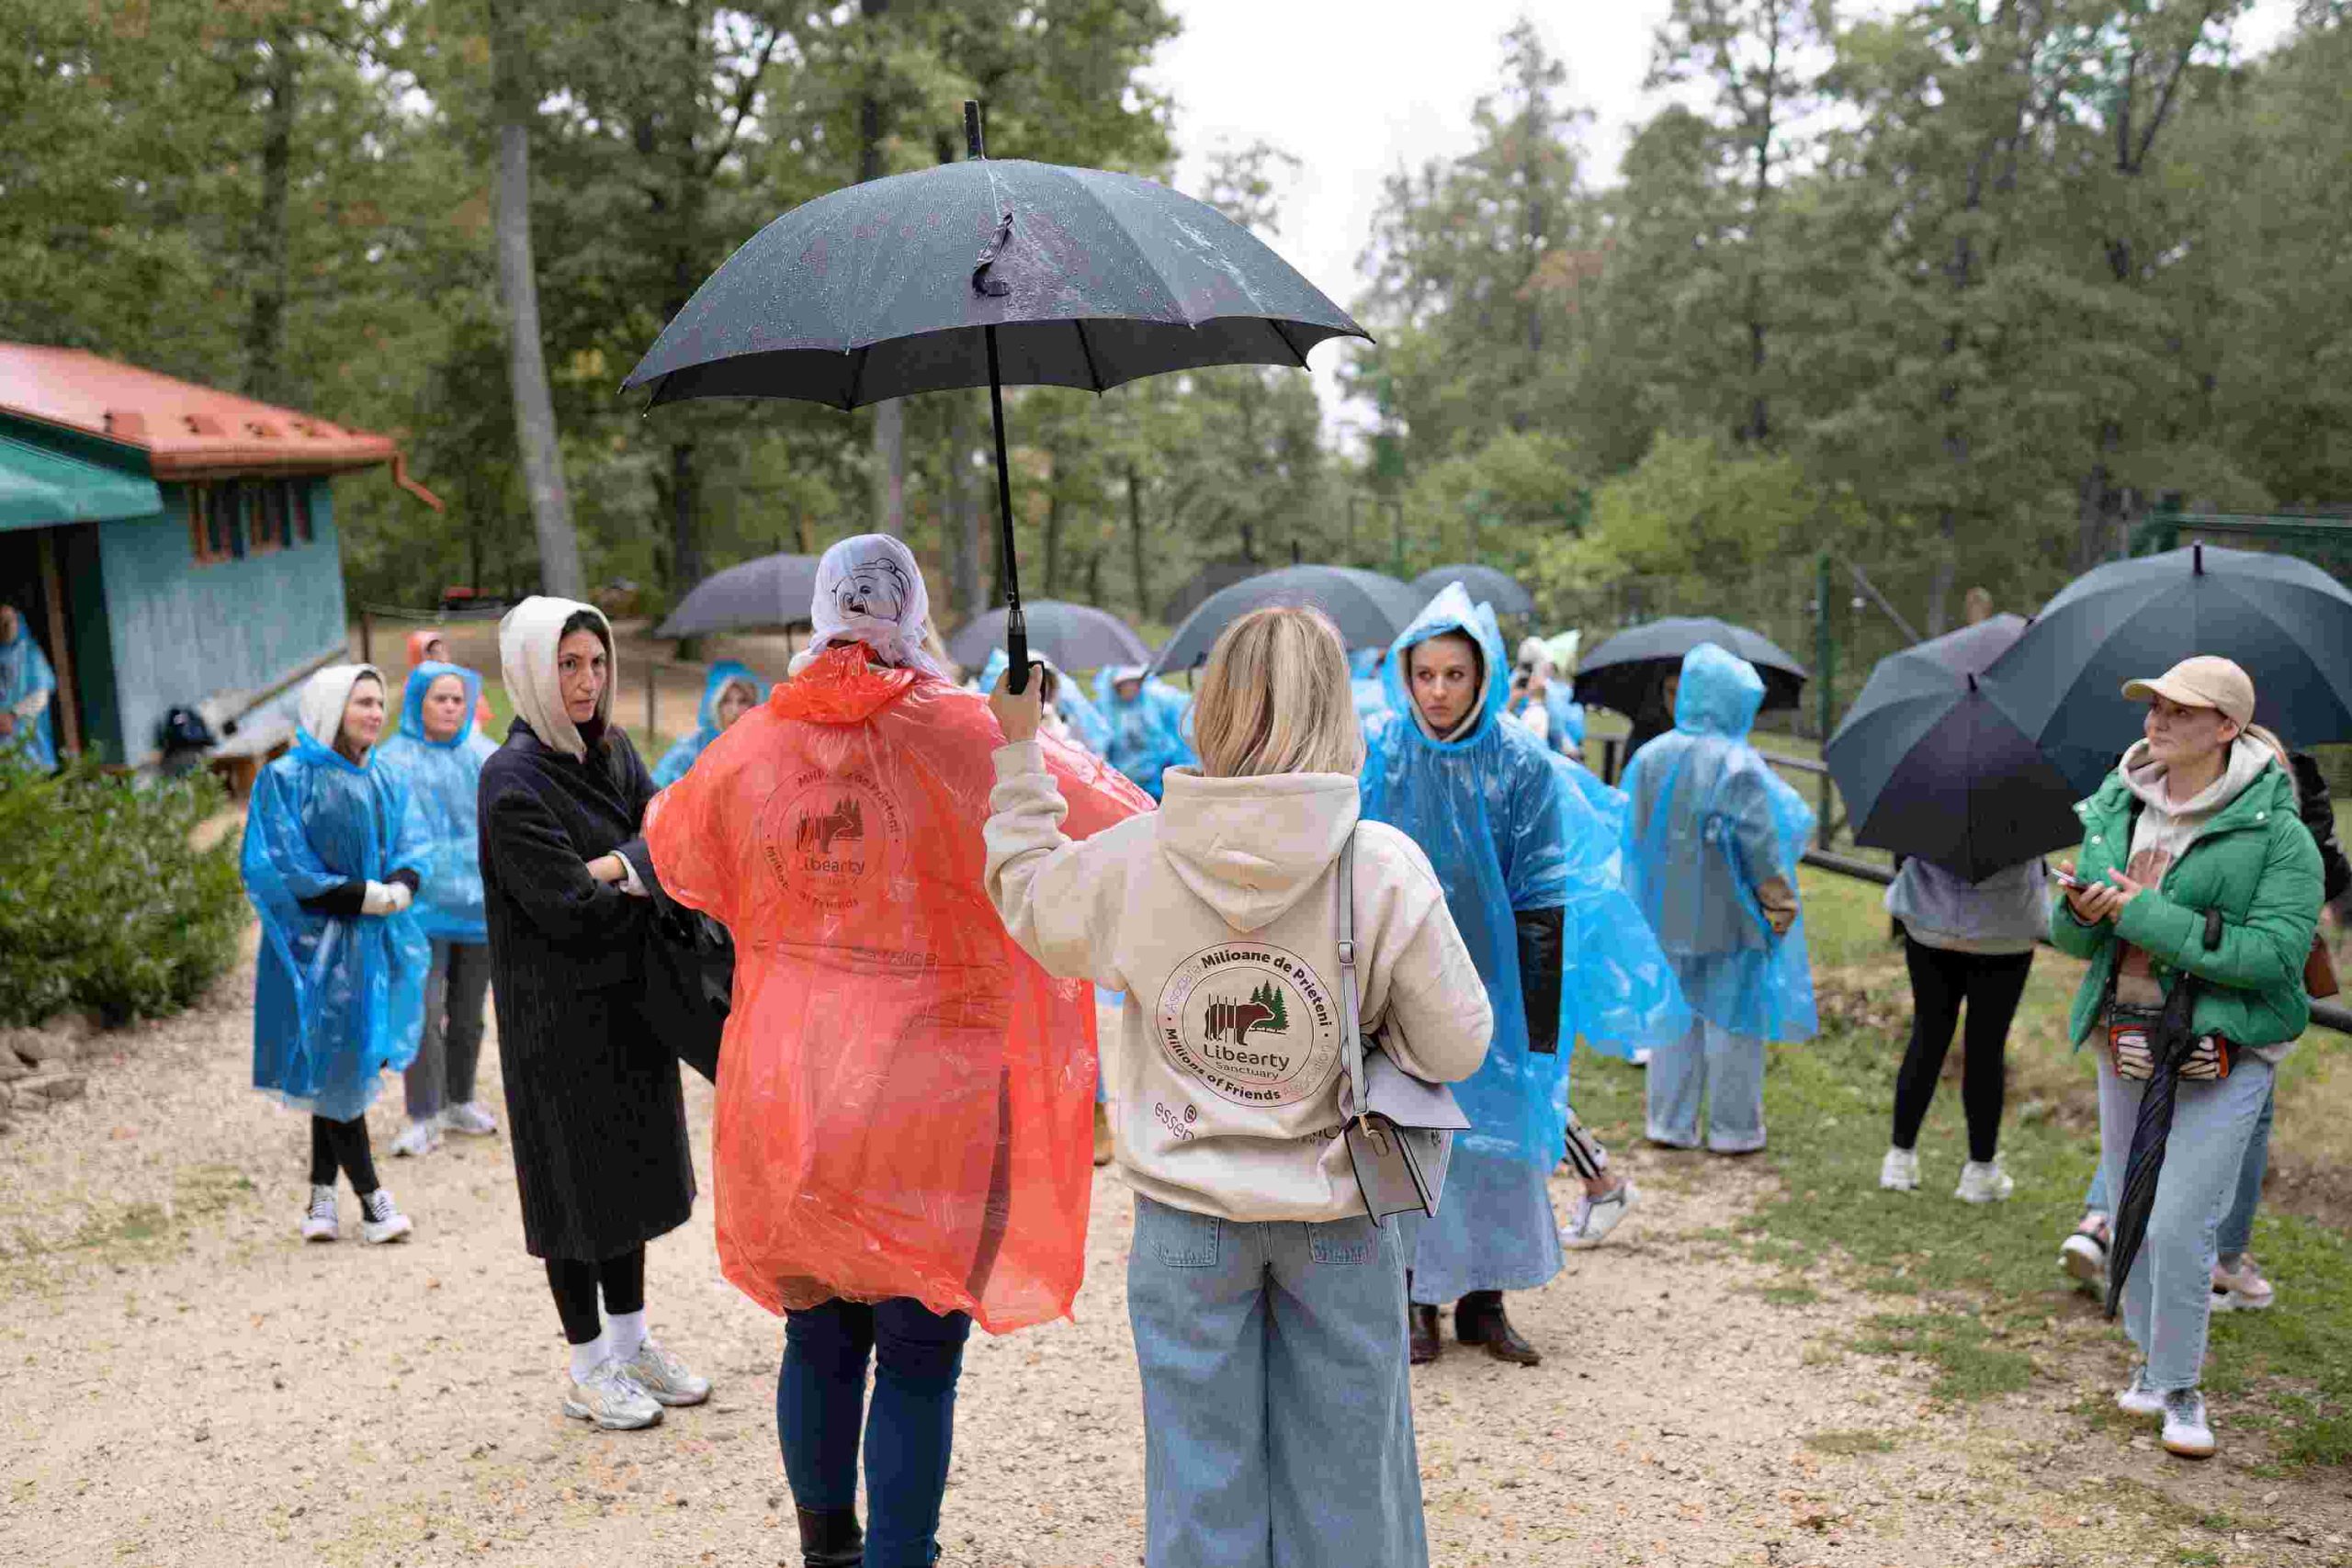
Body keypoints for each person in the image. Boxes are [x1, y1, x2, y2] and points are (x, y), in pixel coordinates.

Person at [644, 536, 1150, 1568]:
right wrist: (1025, 734)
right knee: (919, 1358)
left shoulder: (753, 742)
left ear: (826, 611)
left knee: (817, 1335)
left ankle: (825, 1549)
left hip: (792, 1089)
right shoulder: (971, 734)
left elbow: (677, 848)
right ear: (913, 612)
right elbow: (1120, 830)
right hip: (938, 1096)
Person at [985, 604, 1491, 1568]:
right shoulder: (1378, 866)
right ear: (1337, 706)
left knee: (1197, 1485)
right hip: (1341, 1213)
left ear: (1211, 702)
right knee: (1348, 1493)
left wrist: (1022, 752)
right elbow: (1458, 1047)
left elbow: (1029, 895)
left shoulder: (1137, 857)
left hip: (1186, 1220)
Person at [2048, 657, 2319, 1460]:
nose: (2155, 722)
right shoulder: (2117, 803)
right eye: (2153, 707)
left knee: (2183, 1219)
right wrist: (2081, 911)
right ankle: (2149, 1359)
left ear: (2227, 728)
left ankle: (2182, 1386)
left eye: (2179, 711)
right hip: (2125, 1032)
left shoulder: (2282, 833)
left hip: (2226, 1047)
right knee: (2133, 1204)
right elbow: (2074, 938)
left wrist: (2146, 915)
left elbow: (2272, 954)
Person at [478, 597, 714, 1434]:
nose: (585, 681)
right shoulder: (511, 782)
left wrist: (620, 863)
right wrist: (637, 880)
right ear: (532, 672)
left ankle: (632, 1340)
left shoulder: (608, 752)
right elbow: (569, 909)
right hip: (555, 1020)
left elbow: (672, 831)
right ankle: (587, 1365)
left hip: (628, 1002)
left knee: (628, 1181)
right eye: (567, 665)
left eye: (596, 663)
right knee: (573, 1194)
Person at [2058, 724, 2348, 1311]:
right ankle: (2222, 1256)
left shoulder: (2168, 774)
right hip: (2214, 1005)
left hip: (2169, 994)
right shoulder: (2280, 763)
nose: (2161, 720)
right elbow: (2327, 872)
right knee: (2232, 1118)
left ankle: (2103, 1222)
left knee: (2148, 1111)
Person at [1361, 583, 1568, 1367]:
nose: (1439, 691)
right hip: (1405, 977)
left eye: (1454, 674)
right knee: (1414, 1127)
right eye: (1425, 675)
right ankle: (1417, 1294)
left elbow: (1543, 885)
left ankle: (1486, 1297)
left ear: (1481, 675)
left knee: (1497, 1138)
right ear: (1406, 677)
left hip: (1498, 980)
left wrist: (1537, 1018)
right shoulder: (1385, 750)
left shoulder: (1521, 760)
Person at [240, 663, 431, 1246]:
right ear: (330, 709)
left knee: (341, 1064)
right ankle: (373, 1202)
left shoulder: (386, 777)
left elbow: (412, 841)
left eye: (379, 702)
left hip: (376, 944)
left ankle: (321, 1199)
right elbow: (276, 864)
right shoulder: (285, 778)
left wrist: (401, 883)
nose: (375, 713)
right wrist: (357, 894)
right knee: (340, 1064)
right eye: (361, 703)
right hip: (311, 949)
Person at [1621, 644, 1817, 1153]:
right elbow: (1760, 846)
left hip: (1664, 913)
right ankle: (1734, 1130)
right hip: (1731, 918)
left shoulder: (1650, 757)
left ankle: (1669, 1123)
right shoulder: (1739, 765)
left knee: (1673, 1022)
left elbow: (1634, 835)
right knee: (1734, 1024)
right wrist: (1779, 908)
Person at [375, 660, 503, 1158]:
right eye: (439, 698)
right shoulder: (392, 762)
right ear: (418, 703)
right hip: (419, 912)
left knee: (468, 1014)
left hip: (477, 911)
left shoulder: (486, 757)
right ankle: (423, 1113)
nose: (450, 707)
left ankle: (459, 1100)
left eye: (457, 699)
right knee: (423, 1013)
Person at [1878, 854, 2048, 1201]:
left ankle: (1900, 1158)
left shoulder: (1928, 798)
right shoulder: (2027, 804)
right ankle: (1981, 1170)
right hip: (2006, 927)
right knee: (1987, 1047)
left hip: (1930, 919)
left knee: (1927, 1034)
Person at [1097, 664, 1195, 800]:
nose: (1131, 687)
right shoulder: (1106, 711)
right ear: (1116, 686)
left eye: (1135, 682)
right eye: (1126, 683)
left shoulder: (1155, 704)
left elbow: (1174, 742)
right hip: (1123, 783)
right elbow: (1100, 745)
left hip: (1158, 779)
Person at [1506, 635, 1587, 761]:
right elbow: (1556, 725)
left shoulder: (1510, 683)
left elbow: (1499, 714)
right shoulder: (1544, 686)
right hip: (1546, 756)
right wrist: (1569, 749)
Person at [405, 626, 497, 734]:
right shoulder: (417, 681)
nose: (440, 655)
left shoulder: (456, 674)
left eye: (441, 650)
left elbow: (475, 701)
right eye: (434, 652)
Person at [0, 603, 57, 772]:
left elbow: (40, 696)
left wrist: (12, 715)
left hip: (27, 735)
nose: (5, 626)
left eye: (8, 620)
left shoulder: (31, 655)